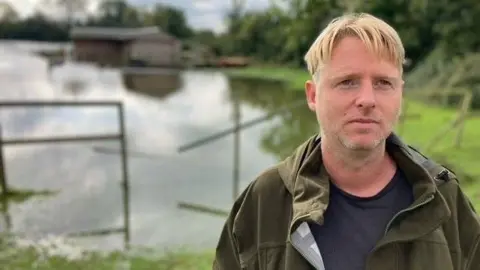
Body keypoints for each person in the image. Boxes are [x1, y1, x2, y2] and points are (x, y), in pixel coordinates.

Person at [212, 12, 480, 270]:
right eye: (348, 82)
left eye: (383, 83)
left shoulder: (444, 198)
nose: (367, 99)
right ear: (313, 95)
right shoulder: (264, 200)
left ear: (400, 93)